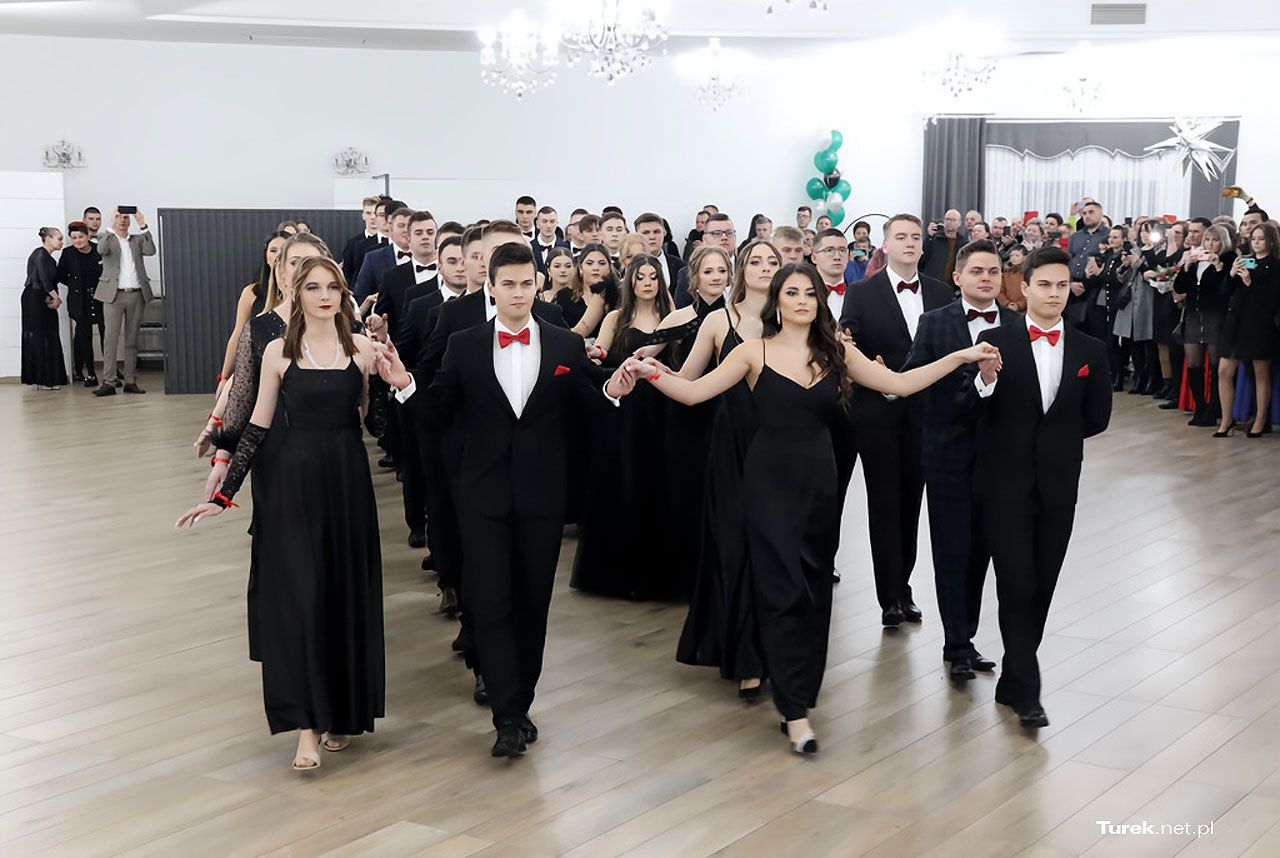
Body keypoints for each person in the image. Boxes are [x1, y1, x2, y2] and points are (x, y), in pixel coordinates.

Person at [641, 263, 997, 754]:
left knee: (812, 593)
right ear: (778, 302)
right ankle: (794, 712)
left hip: (820, 486)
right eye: (792, 292)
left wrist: (958, 356)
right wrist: (648, 371)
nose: (802, 300)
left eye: (810, 293)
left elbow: (899, 384)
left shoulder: (837, 353)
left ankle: (799, 692)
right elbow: (693, 392)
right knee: (780, 590)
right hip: (766, 485)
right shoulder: (751, 352)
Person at [380, 242, 640, 757]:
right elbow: (438, 413)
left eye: (526, 284)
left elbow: (589, 413)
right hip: (481, 496)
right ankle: (506, 716)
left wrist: (613, 392)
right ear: (492, 287)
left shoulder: (564, 345)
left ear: (537, 286)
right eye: (509, 284)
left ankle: (520, 703)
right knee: (491, 601)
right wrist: (404, 384)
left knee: (532, 602)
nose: (518, 293)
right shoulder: (465, 345)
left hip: (543, 496)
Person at [177, 256, 385, 772]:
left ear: (343, 294)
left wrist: (396, 380)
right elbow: (257, 427)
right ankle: (306, 727)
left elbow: (375, 423)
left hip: (347, 485)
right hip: (292, 486)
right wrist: (223, 494)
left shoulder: (362, 348)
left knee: (342, 595)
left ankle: (342, 713)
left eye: (332, 287)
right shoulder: (277, 351)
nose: (324, 296)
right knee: (300, 598)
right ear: (297, 292)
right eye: (313, 287)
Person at [968, 245, 1112, 728]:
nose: (1054, 294)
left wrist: (1054, 443)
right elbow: (972, 407)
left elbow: (1097, 418)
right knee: (1017, 583)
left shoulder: (1091, 350)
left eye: (1061, 285)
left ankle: (1014, 676)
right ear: (1024, 288)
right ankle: (1028, 691)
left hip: (1058, 483)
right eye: (1044, 285)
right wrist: (985, 381)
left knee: (1043, 583)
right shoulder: (993, 341)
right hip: (1003, 484)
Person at [901, 240, 1019, 680]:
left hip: (998, 456)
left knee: (982, 551)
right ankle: (956, 646)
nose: (986, 278)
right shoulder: (934, 322)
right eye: (977, 271)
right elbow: (914, 377)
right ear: (958, 277)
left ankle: (967, 636)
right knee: (951, 550)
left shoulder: (1016, 323)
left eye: (993, 271)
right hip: (947, 452)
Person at [672, 241, 777, 699]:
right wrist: (645, 372)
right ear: (740, 269)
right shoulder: (719, 321)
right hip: (730, 445)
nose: (765, 268)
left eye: (773, 262)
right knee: (734, 546)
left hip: (779, 446)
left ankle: (772, 651)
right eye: (756, 261)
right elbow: (689, 379)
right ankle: (744, 655)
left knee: (772, 549)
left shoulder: (794, 317)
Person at [839, 214, 954, 624]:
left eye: (915, 237)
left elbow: (948, 349)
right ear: (884, 245)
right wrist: (875, 371)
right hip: (878, 412)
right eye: (900, 236)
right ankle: (889, 595)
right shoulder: (861, 291)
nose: (909, 242)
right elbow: (848, 345)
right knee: (885, 503)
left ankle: (904, 587)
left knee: (912, 503)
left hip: (925, 413)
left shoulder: (941, 292)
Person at [572, 255, 680, 600]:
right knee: (625, 480)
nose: (647, 283)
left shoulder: (673, 315)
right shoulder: (616, 317)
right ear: (630, 282)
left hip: (664, 408)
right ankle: (619, 574)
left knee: (660, 483)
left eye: (653, 277)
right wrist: (596, 354)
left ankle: (658, 573)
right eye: (641, 277)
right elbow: (600, 356)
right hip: (625, 410)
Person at [1216, 221, 1280, 437]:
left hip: (1259, 324)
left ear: (1271, 241)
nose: (1257, 242)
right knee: (1224, 370)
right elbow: (1225, 292)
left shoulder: (1275, 265)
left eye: (1261, 238)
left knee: (1260, 373)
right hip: (1236, 321)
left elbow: (1272, 300)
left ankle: (1261, 420)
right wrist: (1232, 274)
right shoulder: (1244, 260)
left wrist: (1249, 282)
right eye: (1254, 239)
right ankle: (1227, 419)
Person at [214, 231, 290, 397]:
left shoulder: (301, 294)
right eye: (273, 250)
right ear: (266, 256)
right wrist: (224, 377)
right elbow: (238, 335)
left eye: (283, 250)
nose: (278, 255)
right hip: (257, 369)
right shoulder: (251, 292)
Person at [1174, 224, 1235, 427]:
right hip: (1193, 314)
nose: (1210, 244)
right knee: (1193, 363)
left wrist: (1218, 267)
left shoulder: (1228, 259)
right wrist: (1186, 266)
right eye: (1207, 239)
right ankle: (1199, 406)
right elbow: (1179, 287)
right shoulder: (1196, 258)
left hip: (1215, 316)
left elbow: (1224, 291)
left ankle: (1214, 409)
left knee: (1216, 365)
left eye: (1215, 240)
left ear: (1223, 242)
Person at [93, 208, 157, 397]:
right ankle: (109, 381)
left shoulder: (137, 240)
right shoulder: (106, 237)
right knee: (110, 339)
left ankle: (130, 380)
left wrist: (142, 224)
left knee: (132, 339)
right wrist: (110, 226)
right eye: (119, 217)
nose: (122, 220)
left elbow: (151, 250)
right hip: (113, 295)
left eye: (126, 217)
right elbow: (101, 249)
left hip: (136, 294)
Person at [1112, 219, 1158, 395]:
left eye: (1149, 231)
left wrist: (1139, 264)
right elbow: (1123, 278)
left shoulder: (1158, 252)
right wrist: (1124, 266)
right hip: (1131, 299)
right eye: (1143, 231)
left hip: (1148, 299)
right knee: (1132, 341)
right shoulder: (1135, 250)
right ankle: (1139, 377)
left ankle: (1152, 379)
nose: (1145, 235)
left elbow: (1156, 273)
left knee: (1148, 341)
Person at [57, 220, 103, 387]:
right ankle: (90, 373)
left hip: (100, 298)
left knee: (106, 334)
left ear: (88, 236)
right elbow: (60, 275)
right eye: (74, 237)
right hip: (79, 300)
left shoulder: (98, 250)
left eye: (81, 237)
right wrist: (74, 284)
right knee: (84, 336)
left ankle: (110, 373)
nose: (78, 241)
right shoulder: (68, 253)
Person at [22, 227, 67, 390]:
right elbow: (43, 280)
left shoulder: (50, 259)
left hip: (45, 298)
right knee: (39, 336)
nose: (62, 242)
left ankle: (50, 378)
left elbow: (53, 281)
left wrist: (54, 297)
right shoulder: (39, 254)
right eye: (59, 239)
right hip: (34, 299)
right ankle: (41, 379)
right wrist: (56, 297)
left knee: (50, 334)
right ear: (48, 238)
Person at [545, 243, 612, 338]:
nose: (596, 268)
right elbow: (554, 331)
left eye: (602, 263)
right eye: (589, 263)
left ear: (609, 268)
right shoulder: (564, 295)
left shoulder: (619, 295)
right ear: (580, 268)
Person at [353, 201, 410, 304]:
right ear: (391, 229)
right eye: (401, 226)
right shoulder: (373, 258)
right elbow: (360, 295)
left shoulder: (430, 257)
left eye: (409, 226)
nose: (406, 230)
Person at [675, 213, 735, 308]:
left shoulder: (748, 269)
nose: (724, 237)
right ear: (705, 238)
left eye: (729, 233)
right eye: (716, 233)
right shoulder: (687, 273)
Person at [1066, 201, 1107, 330]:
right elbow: (1068, 260)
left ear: (1100, 214)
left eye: (1091, 212)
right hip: (1072, 286)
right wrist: (1070, 282)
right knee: (1072, 327)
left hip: (1095, 288)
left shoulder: (1108, 235)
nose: (1087, 216)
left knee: (1094, 328)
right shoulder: (1076, 236)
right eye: (1084, 213)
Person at [635, 212, 686, 295]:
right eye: (646, 233)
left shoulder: (681, 266)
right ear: (637, 235)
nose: (652, 237)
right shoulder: (628, 265)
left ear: (664, 232)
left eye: (656, 232)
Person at [340, 195, 383, 282]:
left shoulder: (388, 241)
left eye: (375, 213)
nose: (372, 217)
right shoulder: (352, 244)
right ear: (363, 215)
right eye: (368, 213)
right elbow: (347, 274)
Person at [811, 228, 851, 320]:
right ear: (814, 258)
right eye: (829, 250)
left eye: (842, 250)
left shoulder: (860, 295)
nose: (837, 257)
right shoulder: (803, 295)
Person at [531, 205, 568, 271]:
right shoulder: (529, 247)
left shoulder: (566, 247)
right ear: (537, 224)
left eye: (552, 221)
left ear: (557, 223)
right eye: (544, 221)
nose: (548, 226)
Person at [1000, 244, 1028, 312]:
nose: (1013, 258)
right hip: (1006, 310)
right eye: (1011, 256)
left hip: (1025, 310)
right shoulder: (1005, 273)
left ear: (1025, 257)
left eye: (1017, 255)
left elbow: (1031, 292)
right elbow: (999, 292)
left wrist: (1019, 305)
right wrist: (1007, 303)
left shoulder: (1029, 273)